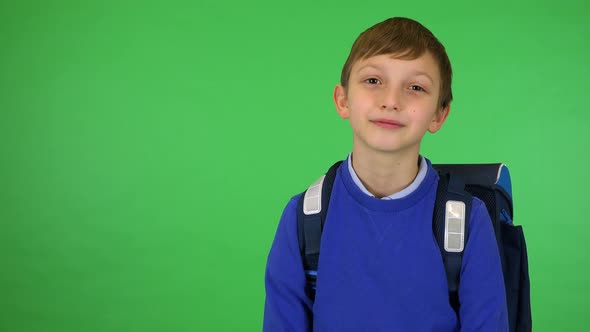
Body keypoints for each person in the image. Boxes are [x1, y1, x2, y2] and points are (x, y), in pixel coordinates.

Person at [263, 17, 508, 331]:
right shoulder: (303, 217)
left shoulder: (467, 221)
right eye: (373, 81)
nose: (391, 101)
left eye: (415, 87)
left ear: (438, 114)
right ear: (342, 100)